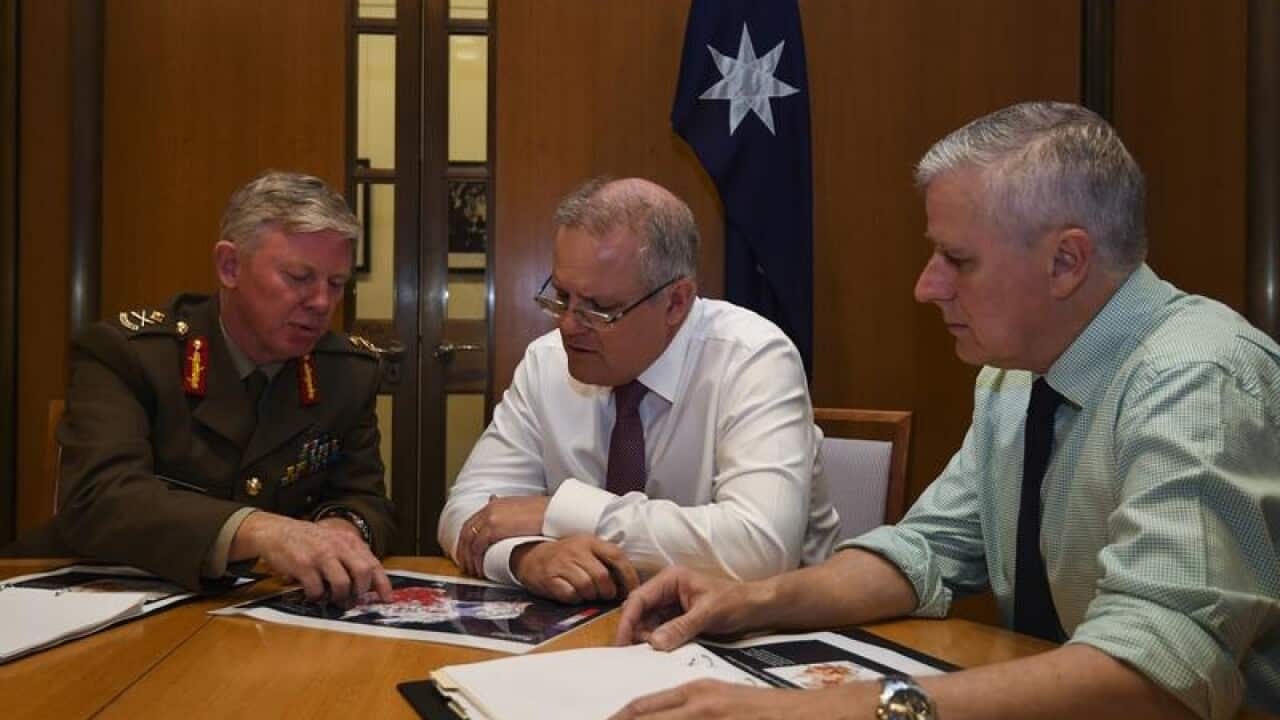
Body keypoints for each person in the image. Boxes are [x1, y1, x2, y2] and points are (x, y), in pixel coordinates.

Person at [611, 102, 1280, 720]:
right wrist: (750, 599)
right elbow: (926, 551)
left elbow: (1159, 672)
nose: (927, 286)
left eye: (957, 260)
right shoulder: (1013, 378)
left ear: (1066, 261)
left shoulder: (1196, 378)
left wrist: (820, 710)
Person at [439, 177, 839, 603]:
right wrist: (528, 557)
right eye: (561, 296)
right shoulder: (547, 361)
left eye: (599, 308)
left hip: (759, 639)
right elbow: (466, 513)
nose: (568, 325)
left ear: (676, 303)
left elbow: (760, 548)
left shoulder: (753, 357)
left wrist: (558, 513)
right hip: (592, 636)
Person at [5, 170, 396, 603]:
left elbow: (365, 500)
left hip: (257, 618)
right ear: (230, 266)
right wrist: (263, 531)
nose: (322, 302)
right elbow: (98, 498)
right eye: (299, 278)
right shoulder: (130, 355)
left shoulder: (347, 373)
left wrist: (340, 530)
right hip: (96, 600)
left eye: (336, 284)